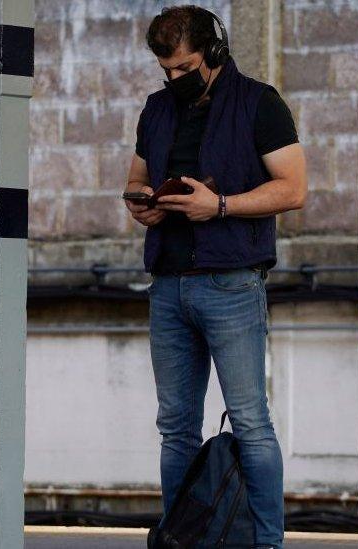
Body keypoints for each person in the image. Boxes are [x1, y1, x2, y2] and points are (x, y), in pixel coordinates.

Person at [123, 6, 307, 548]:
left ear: (216, 53)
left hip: (232, 282)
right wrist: (142, 205)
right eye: (167, 71)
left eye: (186, 68)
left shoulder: (260, 103)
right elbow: (134, 179)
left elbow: (293, 189)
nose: (175, 80)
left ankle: (267, 542)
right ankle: (183, 537)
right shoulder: (156, 110)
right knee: (175, 427)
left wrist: (220, 205)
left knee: (250, 422)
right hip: (169, 284)